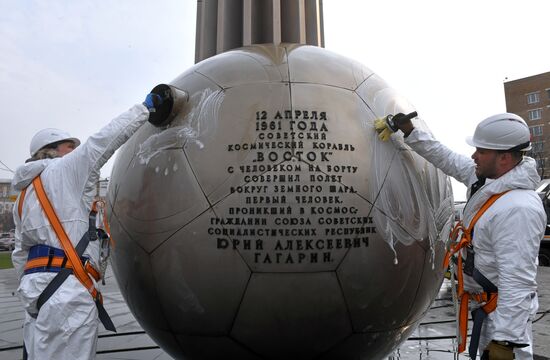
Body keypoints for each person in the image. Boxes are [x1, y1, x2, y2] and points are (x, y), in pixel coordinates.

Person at [11, 90, 167, 360]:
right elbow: (103, 140)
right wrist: (145, 108)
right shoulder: (66, 169)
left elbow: (19, 254)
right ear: (53, 150)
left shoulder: (23, 197)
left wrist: (35, 284)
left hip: (35, 291)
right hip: (67, 293)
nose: (75, 151)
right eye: (70, 146)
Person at [389, 112, 545, 360]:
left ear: (503, 157)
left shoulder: (518, 209)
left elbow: (517, 282)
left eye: (481, 151)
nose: (474, 156)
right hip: (486, 312)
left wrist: (505, 342)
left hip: (502, 322)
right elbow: (447, 158)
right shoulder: (487, 180)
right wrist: (410, 132)